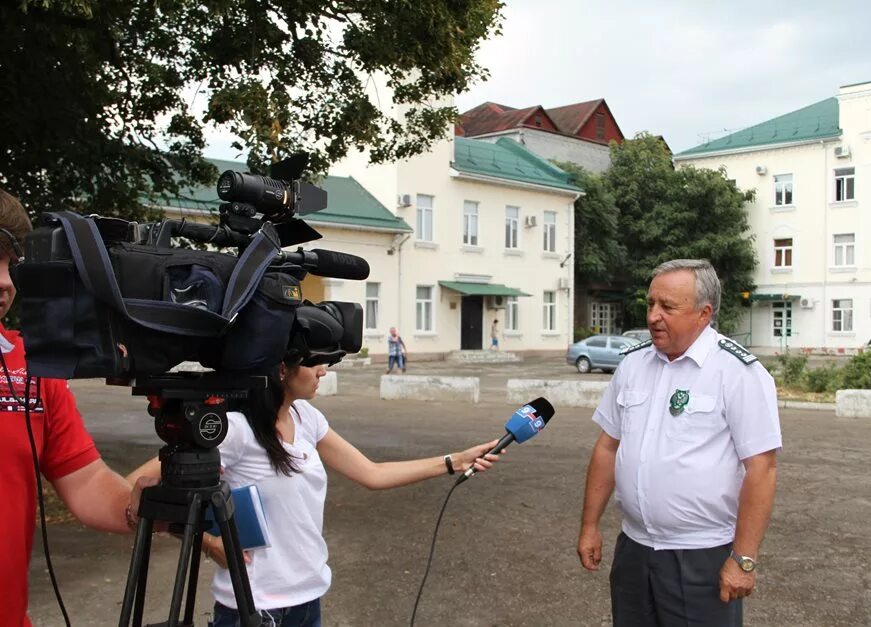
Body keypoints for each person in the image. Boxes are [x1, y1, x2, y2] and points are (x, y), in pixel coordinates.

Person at [129, 358, 503, 627]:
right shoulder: (236, 428)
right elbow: (142, 488)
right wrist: (208, 543)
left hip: (307, 602)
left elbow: (372, 473)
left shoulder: (306, 417)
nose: (324, 370)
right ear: (280, 369)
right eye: (313, 362)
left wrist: (455, 460)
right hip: (253, 608)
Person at [577, 259, 781, 627]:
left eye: (667, 307)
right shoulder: (634, 364)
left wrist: (744, 559)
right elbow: (608, 446)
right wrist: (590, 525)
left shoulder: (737, 373)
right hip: (634, 550)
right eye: (651, 304)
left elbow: (761, 468)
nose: (654, 316)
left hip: (702, 555)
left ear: (704, 314)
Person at [0, 188, 144, 626]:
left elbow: (86, 484)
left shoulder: (29, 363)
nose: (5, 282)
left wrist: (144, 508)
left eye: (12, 264)